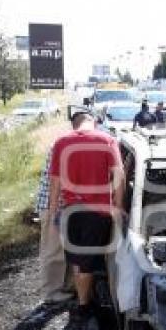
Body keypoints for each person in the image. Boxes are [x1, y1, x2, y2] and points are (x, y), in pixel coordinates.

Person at [47, 110, 125, 317]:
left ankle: (83, 298)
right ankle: (84, 306)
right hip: (96, 213)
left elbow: (54, 180)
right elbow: (119, 176)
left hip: (70, 210)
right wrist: (118, 206)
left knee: (77, 258)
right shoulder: (107, 140)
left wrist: (53, 209)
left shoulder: (61, 142)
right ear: (95, 122)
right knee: (87, 262)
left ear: (74, 125)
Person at [35, 144, 73, 304]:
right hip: (54, 205)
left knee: (66, 251)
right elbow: (56, 180)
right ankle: (51, 293)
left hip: (62, 205)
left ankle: (66, 288)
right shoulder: (63, 148)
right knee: (53, 251)